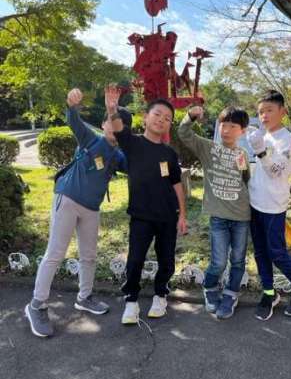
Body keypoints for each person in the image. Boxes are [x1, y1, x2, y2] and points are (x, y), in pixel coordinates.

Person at [25, 88, 129, 338]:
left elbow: (137, 166)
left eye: (121, 124)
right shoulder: (90, 139)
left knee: (89, 256)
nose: (115, 126)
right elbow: (74, 121)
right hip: (68, 199)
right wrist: (72, 105)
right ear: (104, 123)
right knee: (55, 253)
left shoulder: (119, 156)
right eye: (111, 120)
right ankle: (36, 304)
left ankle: (84, 297)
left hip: (91, 209)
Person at [105, 85, 187, 324]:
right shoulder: (133, 143)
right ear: (145, 118)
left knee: (167, 260)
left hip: (167, 216)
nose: (161, 120)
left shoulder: (169, 153)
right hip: (141, 216)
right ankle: (131, 301)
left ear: (169, 125)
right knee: (135, 259)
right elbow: (118, 128)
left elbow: (177, 184)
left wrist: (182, 215)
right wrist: (112, 109)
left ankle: (161, 295)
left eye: (167, 118)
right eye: (157, 114)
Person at [247, 90, 291, 320]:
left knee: (277, 252)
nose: (264, 116)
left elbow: (276, 171)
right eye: (260, 112)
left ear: (282, 112)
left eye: (269, 110)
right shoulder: (261, 135)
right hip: (255, 202)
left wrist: (260, 151)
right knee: (260, 252)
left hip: (274, 206)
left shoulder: (287, 139)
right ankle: (269, 293)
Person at [178, 105, 250, 319]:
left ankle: (230, 294)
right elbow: (184, 133)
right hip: (218, 217)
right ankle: (210, 288)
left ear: (242, 131)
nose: (226, 130)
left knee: (238, 260)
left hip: (242, 217)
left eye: (233, 126)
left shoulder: (242, 154)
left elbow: (246, 181)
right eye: (223, 125)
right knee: (218, 261)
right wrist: (190, 116)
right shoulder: (208, 148)